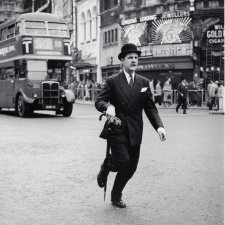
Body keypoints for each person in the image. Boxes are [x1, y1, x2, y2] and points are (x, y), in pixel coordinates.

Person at [95, 43, 166, 208]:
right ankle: (106, 166)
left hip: (135, 131)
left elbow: (150, 108)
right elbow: (99, 101)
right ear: (122, 61)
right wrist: (108, 107)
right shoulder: (112, 81)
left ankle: (115, 196)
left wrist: (159, 127)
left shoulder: (143, 82)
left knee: (131, 168)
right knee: (122, 161)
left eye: (136, 58)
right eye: (130, 58)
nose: (134, 60)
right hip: (117, 128)